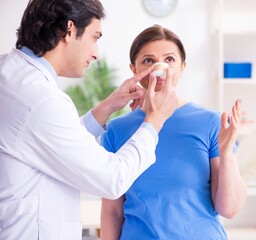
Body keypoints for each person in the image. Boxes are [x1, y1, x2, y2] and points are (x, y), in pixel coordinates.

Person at [0, 1, 180, 239]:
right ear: (69, 30)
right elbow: (112, 179)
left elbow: (52, 142)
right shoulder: (42, 101)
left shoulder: (10, 73)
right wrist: (155, 119)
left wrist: (107, 107)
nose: (95, 53)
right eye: (95, 37)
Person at [100, 25, 247, 240]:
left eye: (169, 59)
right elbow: (112, 211)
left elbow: (229, 209)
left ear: (182, 67)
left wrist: (226, 154)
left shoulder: (211, 123)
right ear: (134, 69)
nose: (160, 68)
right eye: (148, 61)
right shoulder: (116, 130)